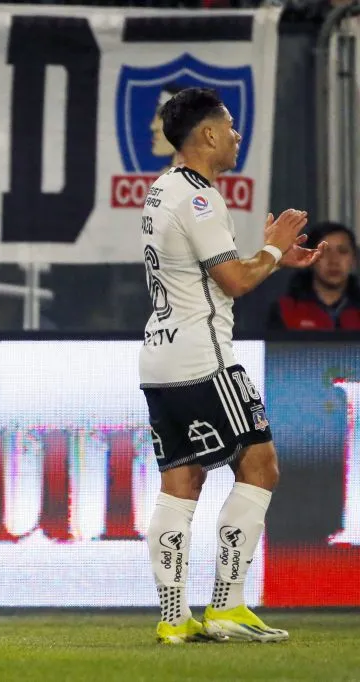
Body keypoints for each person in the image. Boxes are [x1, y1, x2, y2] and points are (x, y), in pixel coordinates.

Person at [138, 87, 326, 644]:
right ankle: (227, 606)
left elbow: (211, 270)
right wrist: (271, 249)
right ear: (210, 134)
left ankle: (174, 620)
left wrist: (271, 258)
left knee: (182, 481)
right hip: (204, 357)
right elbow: (234, 282)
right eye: (231, 126)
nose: (237, 136)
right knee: (261, 465)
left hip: (160, 357)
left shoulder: (162, 190)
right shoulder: (200, 198)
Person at [267, 221, 360, 330]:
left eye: (342, 251)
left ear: (354, 260)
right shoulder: (285, 309)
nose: (334, 261)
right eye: (324, 252)